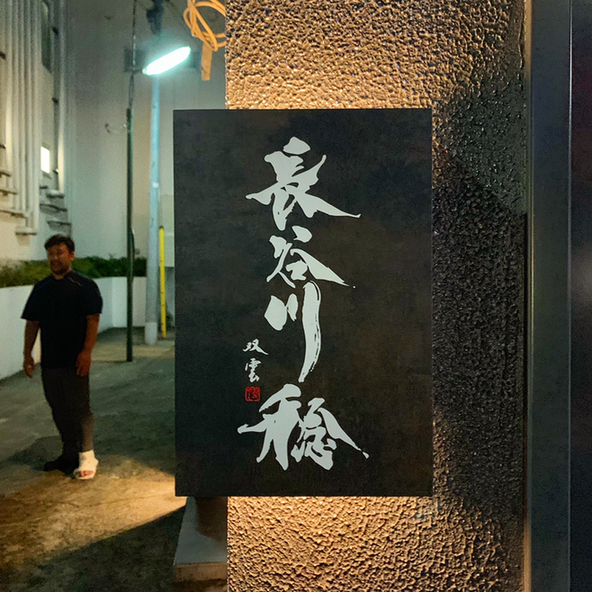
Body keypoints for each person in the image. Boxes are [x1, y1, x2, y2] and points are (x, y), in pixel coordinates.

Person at [22, 234, 103, 480]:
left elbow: (92, 320)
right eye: (50, 253)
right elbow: (32, 322)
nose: (54, 258)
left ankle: (87, 455)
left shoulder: (84, 286)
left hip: (75, 359)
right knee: (57, 407)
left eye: (59, 252)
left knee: (79, 407)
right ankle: (69, 452)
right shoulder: (41, 288)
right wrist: (27, 354)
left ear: (71, 255)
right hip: (51, 360)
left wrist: (86, 352)